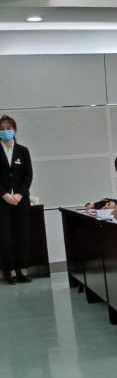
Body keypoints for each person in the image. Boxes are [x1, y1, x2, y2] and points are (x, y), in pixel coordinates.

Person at [0, 115, 32, 284]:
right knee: (5, 236)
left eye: (8, 128)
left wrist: (20, 194)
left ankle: (23, 270)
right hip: (2, 201)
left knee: (22, 234)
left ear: (14, 130)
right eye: (2, 129)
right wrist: (4, 194)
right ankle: (10, 272)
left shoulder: (23, 151)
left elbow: (29, 175)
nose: (5, 131)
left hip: (21, 200)